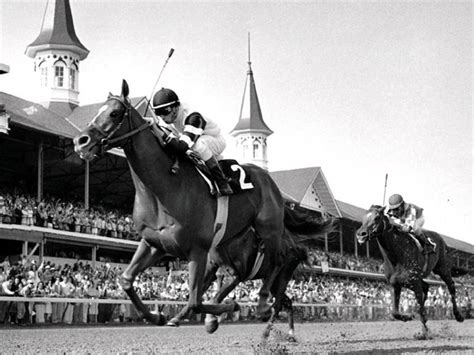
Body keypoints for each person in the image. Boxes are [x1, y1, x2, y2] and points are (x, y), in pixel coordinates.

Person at [151, 88, 233, 195]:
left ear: (176, 108)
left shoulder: (193, 117)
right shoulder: (165, 122)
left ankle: (221, 182)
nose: (162, 117)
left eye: (164, 111)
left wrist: (158, 131)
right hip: (190, 141)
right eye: (157, 112)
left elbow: (181, 147)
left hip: (214, 139)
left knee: (198, 146)